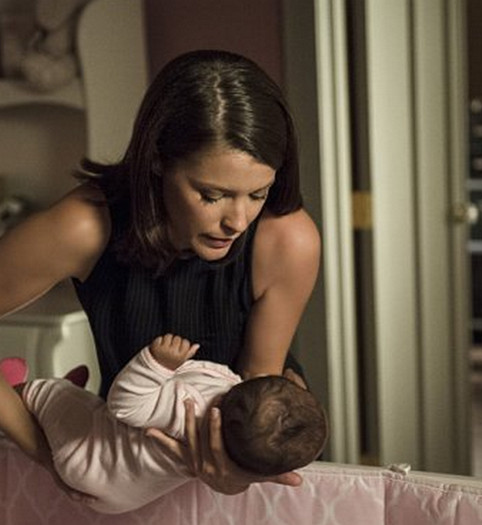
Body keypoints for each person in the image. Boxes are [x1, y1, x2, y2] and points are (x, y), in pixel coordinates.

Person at [0, 49, 321, 497]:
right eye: (212, 195)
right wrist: (48, 452)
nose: (238, 222)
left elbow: (258, 379)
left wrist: (237, 473)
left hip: (243, 456)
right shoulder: (86, 226)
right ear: (157, 160)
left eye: (258, 193)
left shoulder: (288, 239)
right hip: (124, 464)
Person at [10, 334, 327, 514]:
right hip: (122, 497)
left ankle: (16, 389)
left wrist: (154, 364)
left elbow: (125, 405)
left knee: (51, 395)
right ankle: (70, 401)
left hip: (86, 456)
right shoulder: (239, 450)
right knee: (85, 410)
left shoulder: (190, 408)